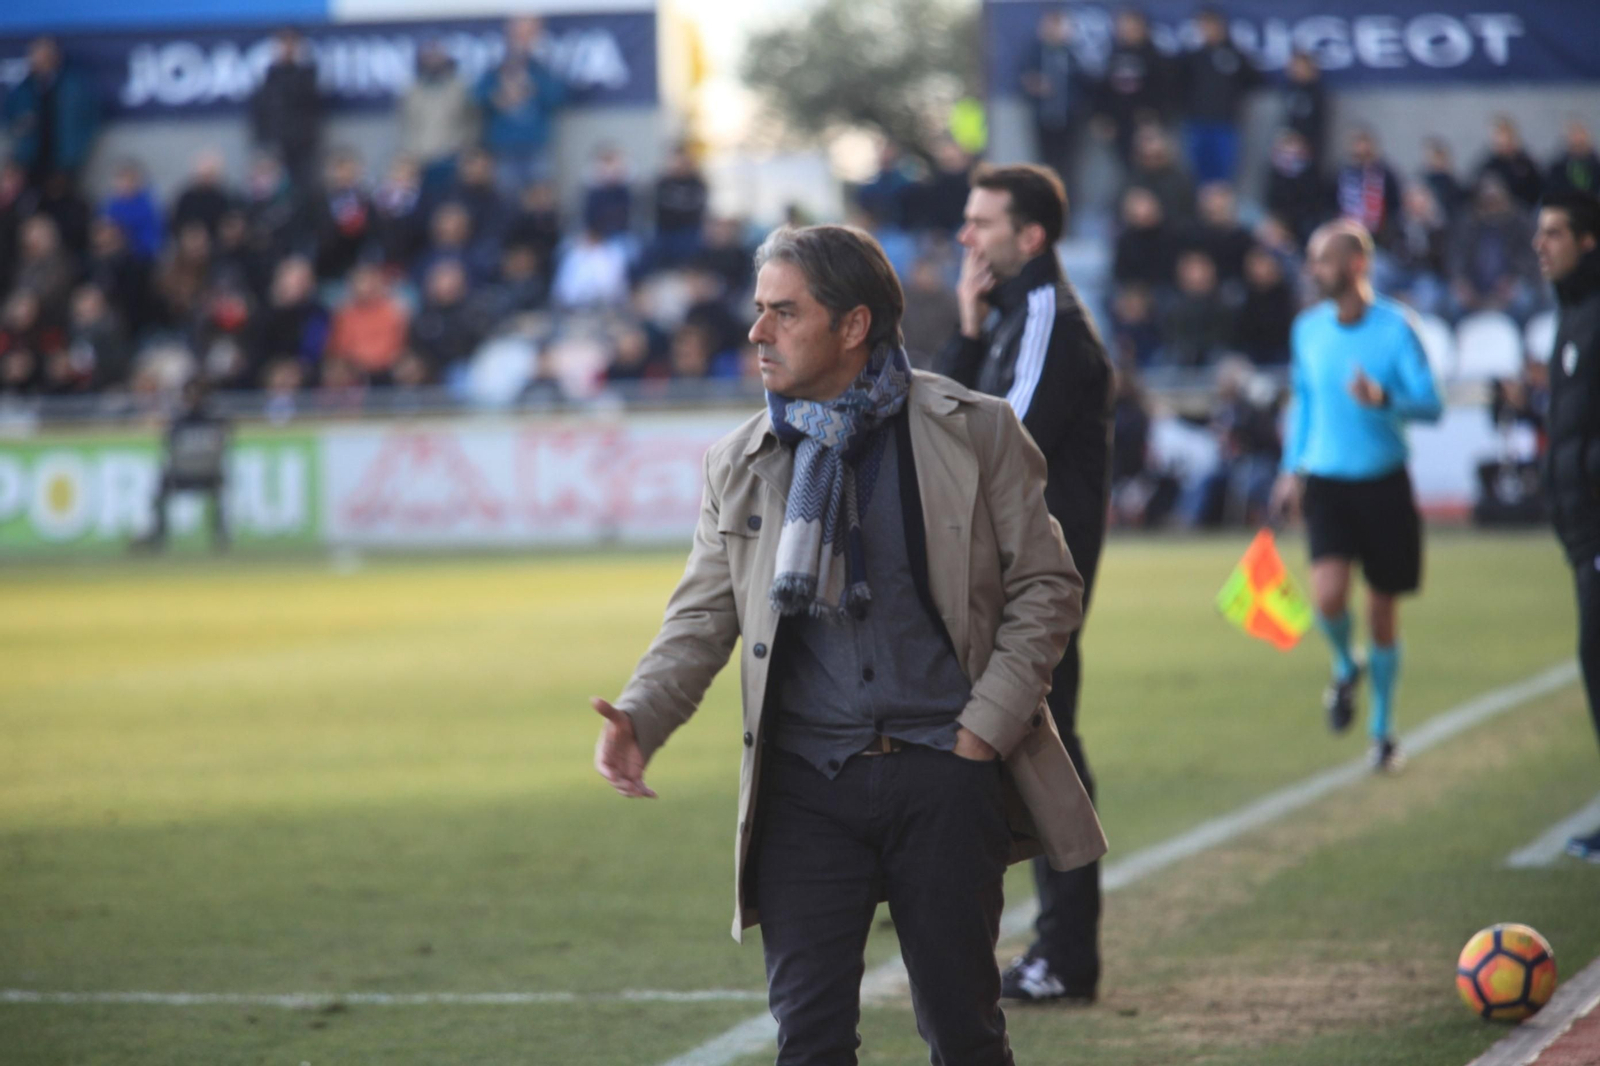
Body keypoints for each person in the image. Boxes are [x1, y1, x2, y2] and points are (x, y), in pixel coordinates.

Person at [591, 223, 1105, 1063]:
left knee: (966, 1037)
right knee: (811, 1042)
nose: (758, 332)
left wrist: (985, 729)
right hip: (804, 794)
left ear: (854, 325)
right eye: (759, 311)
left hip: (947, 774)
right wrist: (641, 716)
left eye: (784, 313)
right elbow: (700, 616)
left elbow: (1047, 585)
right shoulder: (741, 461)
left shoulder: (976, 431)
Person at [938, 163, 1112, 1005]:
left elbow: (992, 451)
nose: (966, 236)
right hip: (1003, 576)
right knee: (1010, 742)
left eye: (982, 222)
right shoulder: (1013, 318)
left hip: (1036, 583)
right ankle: (1041, 942)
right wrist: (969, 332)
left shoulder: (1050, 322)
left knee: (1040, 745)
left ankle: (1066, 952)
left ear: (1030, 237)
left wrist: (975, 339)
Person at [1270, 220, 1443, 771]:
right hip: (1327, 482)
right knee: (1326, 596)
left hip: (1384, 483)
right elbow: (1304, 403)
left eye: (1323, 260)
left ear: (1355, 266)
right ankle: (1347, 664)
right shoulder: (1308, 329)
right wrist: (1289, 469)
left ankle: (1382, 730)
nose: (1313, 270)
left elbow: (1431, 404)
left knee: (1383, 611)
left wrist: (1384, 396)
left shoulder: (1397, 328)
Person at [1532, 191, 1600, 862]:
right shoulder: (1572, 313)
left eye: (1554, 232)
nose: (1540, 244)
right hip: (1582, 529)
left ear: (1589, 240)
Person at [137, 378, 231, 552]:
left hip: (184, 476)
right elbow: (225, 445)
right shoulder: (218, 421)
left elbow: (170, 448)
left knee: (162, 489)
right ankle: (220, 537)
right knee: (218, 488)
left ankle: (159, 538)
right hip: (208, 476)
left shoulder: (179, 423)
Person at [2, 37, 99, 192]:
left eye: (41, 55)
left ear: (54, 57)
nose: (36, 60)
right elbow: (10, 118)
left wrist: (74, 153)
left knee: (60, 199)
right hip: (31, 158)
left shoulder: (73, 86)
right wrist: (19, 128)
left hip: (64, 159)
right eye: (33, 55)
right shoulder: (24, 88)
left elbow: (90, 119)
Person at [1178, 7, 1260, 185]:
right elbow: (1179, 86)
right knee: (1196, 174)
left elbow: (1254, 80)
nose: (1208, 30)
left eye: (1211, 25)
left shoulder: (1235, 54)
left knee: (1224, 176)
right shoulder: (1194, 57)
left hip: (1225, 123)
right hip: (1197, 123)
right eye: (1203, 26)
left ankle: (1222, 210)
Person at [1021, 11, 1092, 191]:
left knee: (1070, 166)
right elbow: (1021, 80)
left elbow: (1087, 84)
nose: (1053, 31)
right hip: (1044, 118)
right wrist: (1034, 84)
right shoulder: (1034, 53)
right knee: (1044, 165)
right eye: (1049, 26)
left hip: (1070, 119)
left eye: (1057, 27)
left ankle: (1068, 208)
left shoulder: (1074, 54)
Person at [248, 28, 322, 192]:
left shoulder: (306, 76)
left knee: (304, 187)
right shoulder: (271, 77)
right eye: (283, 44)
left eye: (292, 44)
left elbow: (313, 108)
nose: (287, 49)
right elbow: (263, 111)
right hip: (276, 144)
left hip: (303, 145)